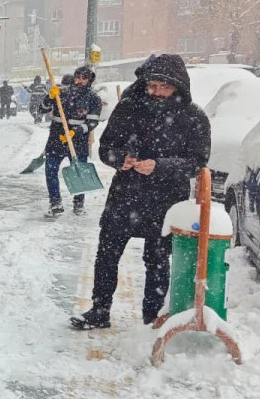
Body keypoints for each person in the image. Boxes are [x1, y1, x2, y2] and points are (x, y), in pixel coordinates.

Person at [71, 54, 210, 330]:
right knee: (107, 253)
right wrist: (118, 158)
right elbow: (105, 146)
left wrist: (160, 166)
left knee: (157, 259)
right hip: (126, 193)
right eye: (152, 86)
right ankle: (99, 310)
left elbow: (198, 162)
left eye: (164, 87)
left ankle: (153, 316)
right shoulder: (129, 108)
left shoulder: (193, 117)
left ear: (178, 86)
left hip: (166, 199)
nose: (157, 93)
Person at [39, 66, 102, 217]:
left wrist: (76, 132)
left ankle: (79, 203)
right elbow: (41, 110)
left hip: (78, 142)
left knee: (80, 171)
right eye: (77, 77)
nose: (80, 81)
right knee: (51, 169)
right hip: (56, 139)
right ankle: (55, 202)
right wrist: (50, 97)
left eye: (84, 78)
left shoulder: (93, 99)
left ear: (89, 80)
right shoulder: (61, 93)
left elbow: (93, 122)